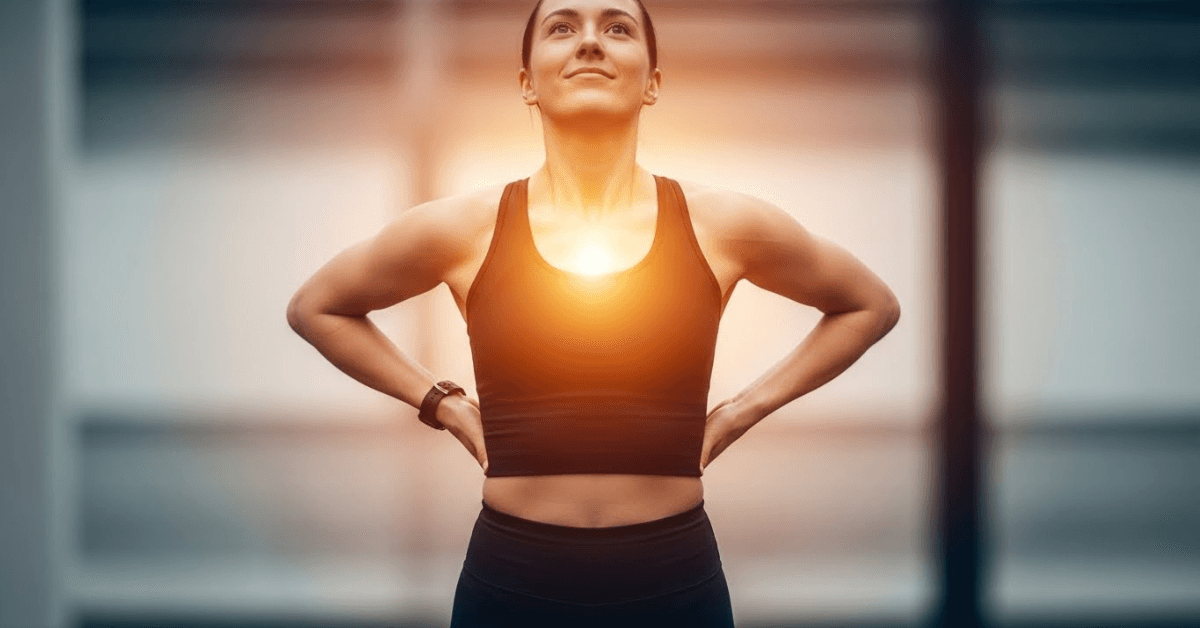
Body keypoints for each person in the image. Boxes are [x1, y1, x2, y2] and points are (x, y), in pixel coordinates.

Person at [286, 0, 901, 625]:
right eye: (561, 27)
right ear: (526, 83)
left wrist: (743, 411)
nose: (589, 43)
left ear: (653, 82)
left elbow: (869, 304)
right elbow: (318, 307)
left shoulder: (724, 225)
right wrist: (442, 404)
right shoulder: (464, 228)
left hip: (674, 578)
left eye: (616, 27)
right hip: (512, 579)